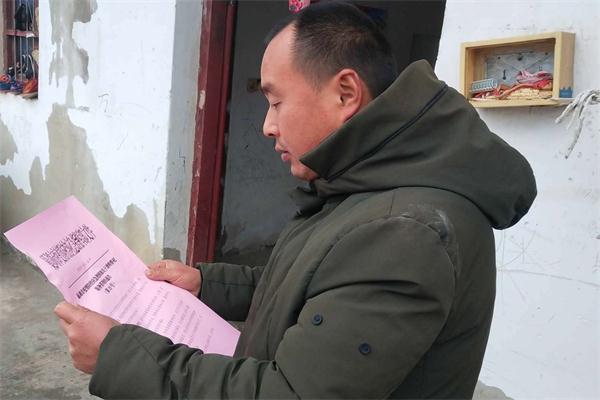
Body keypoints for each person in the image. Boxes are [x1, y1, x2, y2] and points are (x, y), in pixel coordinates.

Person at [54, 2, 536, 398]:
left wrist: (118, 356)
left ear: (345, 93)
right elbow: (313, 282)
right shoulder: (366, 186)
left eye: (276, 101)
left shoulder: (406, 231)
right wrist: (206, 284)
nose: (267, 125)